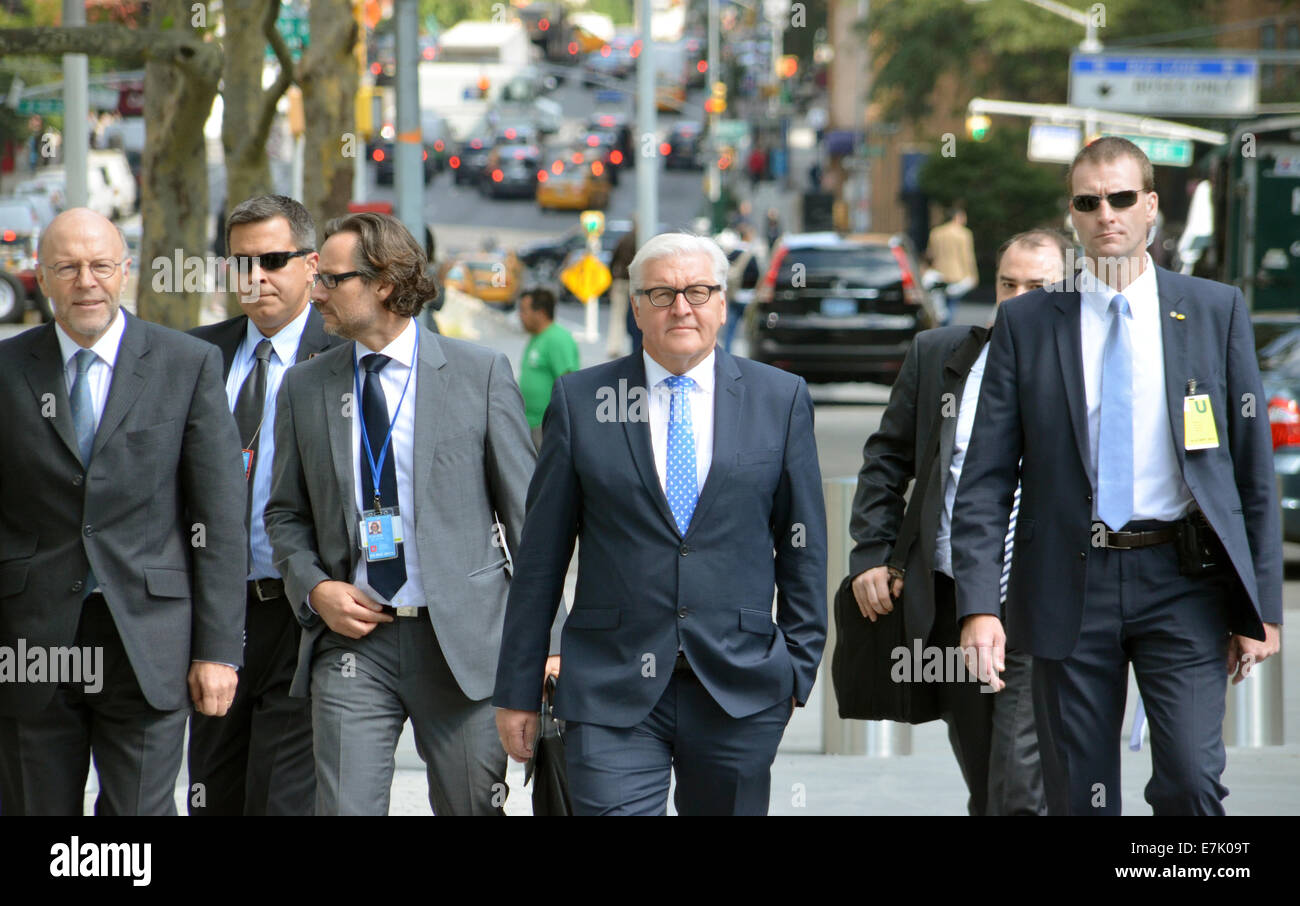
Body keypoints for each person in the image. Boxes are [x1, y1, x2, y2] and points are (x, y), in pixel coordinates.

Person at [952, 137, 1283, 816]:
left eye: (1122, 198)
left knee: (1192, 782)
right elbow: (986, 479)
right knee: (1079, 797)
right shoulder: (1027, 324)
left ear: (1151, 206)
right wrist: (980, 606)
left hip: (1184, 581)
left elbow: (1251, 473)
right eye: (1088, 201)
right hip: (1070, 584)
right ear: (1072, 214)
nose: (1107, 214)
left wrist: (1264, 607)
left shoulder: (1214, 311)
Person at [494, 232, 828, 816]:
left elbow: (803, 546)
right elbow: (540, 559)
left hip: (739, 689)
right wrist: (518, 688)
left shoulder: (781, 399)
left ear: (723, 304)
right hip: (609, 688)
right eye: (663, 292)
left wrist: (797, 666)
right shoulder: (581, 401)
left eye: (699, 291)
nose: (682, 307)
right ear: (636, 305)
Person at [264, 212, 553, 815]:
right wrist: (315, 589)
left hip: (464, 645)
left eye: (332, 280)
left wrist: (548, 644)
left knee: (474, 805)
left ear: (385, 284)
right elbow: (285, 515)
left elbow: (532, 522)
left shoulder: (480, 375)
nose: (314, 292)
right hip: (354, 646)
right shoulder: (304, 387)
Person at [0, 208, 247, 815]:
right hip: (32, 641)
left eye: (101, 265)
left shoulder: (186, 364)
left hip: (147, 641)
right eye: (67, 267)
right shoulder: (5, 371)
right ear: (42, 276)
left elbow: (217, 521)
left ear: (125, 271)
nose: (87, 281)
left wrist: (218, 651)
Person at [848, 229, 1069, 816]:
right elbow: (887, 458)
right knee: (986, 777)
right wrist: (873, 551)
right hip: (954, 597)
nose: (1018, 299)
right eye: (1008, 284)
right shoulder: (940, 353)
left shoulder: (1086, 368)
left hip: (1046, 601)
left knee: (1021, 786)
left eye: (1038, 287)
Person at [186, 195, 345, 816]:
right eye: (240, 262)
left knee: (282, 801)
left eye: (272, 260)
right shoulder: (198, 355)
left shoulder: (343, 358)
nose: (254, 278)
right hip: (213, 614)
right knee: (212, 793)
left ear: (311, 264)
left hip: (305, 613)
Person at [518, 286, 580, 451]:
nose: (520, 316)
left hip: (547, 426)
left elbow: (570, 382)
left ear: (540, 313)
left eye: (524, 311)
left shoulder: (558, 339)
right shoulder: (537, 337)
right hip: (530, 423)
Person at [927, 206, 978, 326]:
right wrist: (973, 274)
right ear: (958, 217)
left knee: (940, 304)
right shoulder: (964, 233)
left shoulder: (936, 232)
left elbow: (930, 254)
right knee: (952, 303)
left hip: (939, 272)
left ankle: (941, 325)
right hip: (957, 273)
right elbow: (967, 256)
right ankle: (947, 327)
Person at [721, 222, 767, 353]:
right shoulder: (751, 254)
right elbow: (756, 274)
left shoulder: (732, 253)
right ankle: (749, 352)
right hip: (748, 296)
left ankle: (727, 351)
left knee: (731, 328)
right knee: (749, 329)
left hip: (734, 295)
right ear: (748, 236)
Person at [607, 224, 637, 359]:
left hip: (620, 280)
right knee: (636, 315)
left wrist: (612, 278)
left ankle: (614, 346)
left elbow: (613, 259)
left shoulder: (624, 239)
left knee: (617, 315)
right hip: (635, 283)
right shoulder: (644, 239)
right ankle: (636, 347)